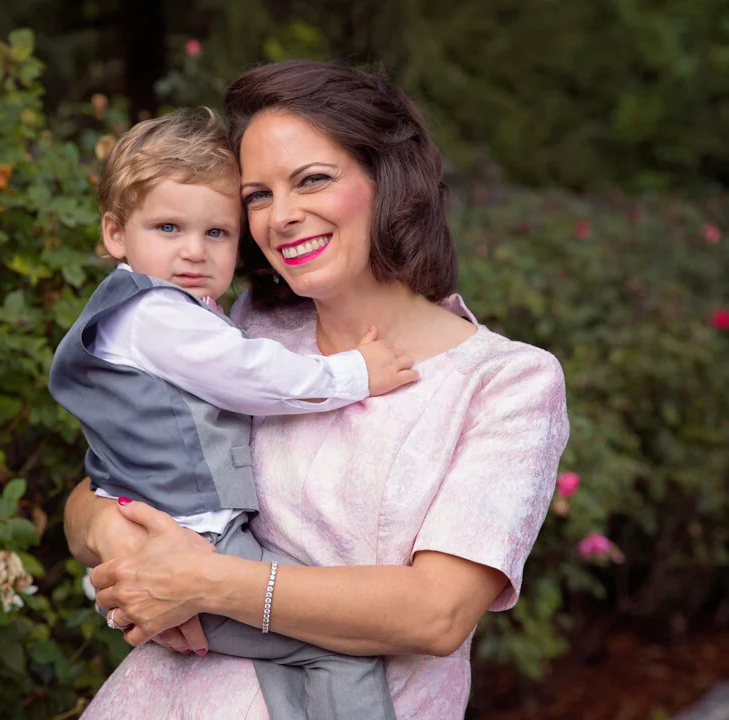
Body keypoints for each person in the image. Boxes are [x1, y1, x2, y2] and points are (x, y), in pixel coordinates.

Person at [64, 60, 570, 719]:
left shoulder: (506, 381)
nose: (282, 216)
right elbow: (94, 494)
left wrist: (205, 581)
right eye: (257, 196)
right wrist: (120, 542)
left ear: (389, 180)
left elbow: (437, 614)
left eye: (312, 180)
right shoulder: (242, 330)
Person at [48, 108, 418, 720]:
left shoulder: (172, 311)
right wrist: (356, 373)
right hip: (193, 541)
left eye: (217, 233)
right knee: (341, 649)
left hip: (184, 540)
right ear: (115, 233)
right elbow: (252, 375)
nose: (194, 251)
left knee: (291, 650)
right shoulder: (155, 315)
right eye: (168, 227)